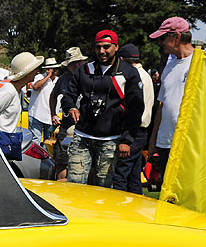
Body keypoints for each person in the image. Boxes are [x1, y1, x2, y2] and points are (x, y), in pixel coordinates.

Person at [61, 30, 145, 187]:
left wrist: (127, 140)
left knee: (104, 188)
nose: (101, 51)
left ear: (116, 47)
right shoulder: (85, 70)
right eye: (98, 47)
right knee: (74, 185)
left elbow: (135, 109)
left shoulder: (128, 73)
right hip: (82, 136)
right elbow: (68, 96)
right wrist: (71, 107)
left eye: (106, 47)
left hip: (110, 139)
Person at [148, 17, 206, 177]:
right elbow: (162, 105)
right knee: (167, 196)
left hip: (191, 144)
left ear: (176, 36)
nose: (159, 43)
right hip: (166, 142)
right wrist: (153, 140)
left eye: (162, 38)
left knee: (190, 197)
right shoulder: (169, 66)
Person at [112, 44, 155, 194]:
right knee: (133, 176)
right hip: (142, 130)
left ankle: (118, 207)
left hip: (132, 131)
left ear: (122, 59)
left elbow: (132, 107)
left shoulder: (132, 76)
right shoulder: (145, 75)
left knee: (120, 174)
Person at [0, 52, 42, 139]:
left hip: (8, 139)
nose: (37, 71)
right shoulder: (8, 91)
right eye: (35, 68)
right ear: (27, 72)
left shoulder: (19, 92)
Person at [49, 47, 89, 181]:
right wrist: (53, 114)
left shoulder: (91, 77)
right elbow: (53, 96)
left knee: (87, 160)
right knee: (62, 158)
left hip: (86, 124)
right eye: (72, 63)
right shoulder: (63, 79)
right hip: (67, 124)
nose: (76, 65)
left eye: (78, 62)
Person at [27, 58, 60, 141]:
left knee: (48, 140)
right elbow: (35, 87)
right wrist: (48, 76)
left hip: (51, 117)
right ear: (47, 70)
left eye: (56, 69)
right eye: (53, 69)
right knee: (35, 139)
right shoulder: (39, 77)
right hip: (36, 114)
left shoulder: (58, 80)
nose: (55, 71)